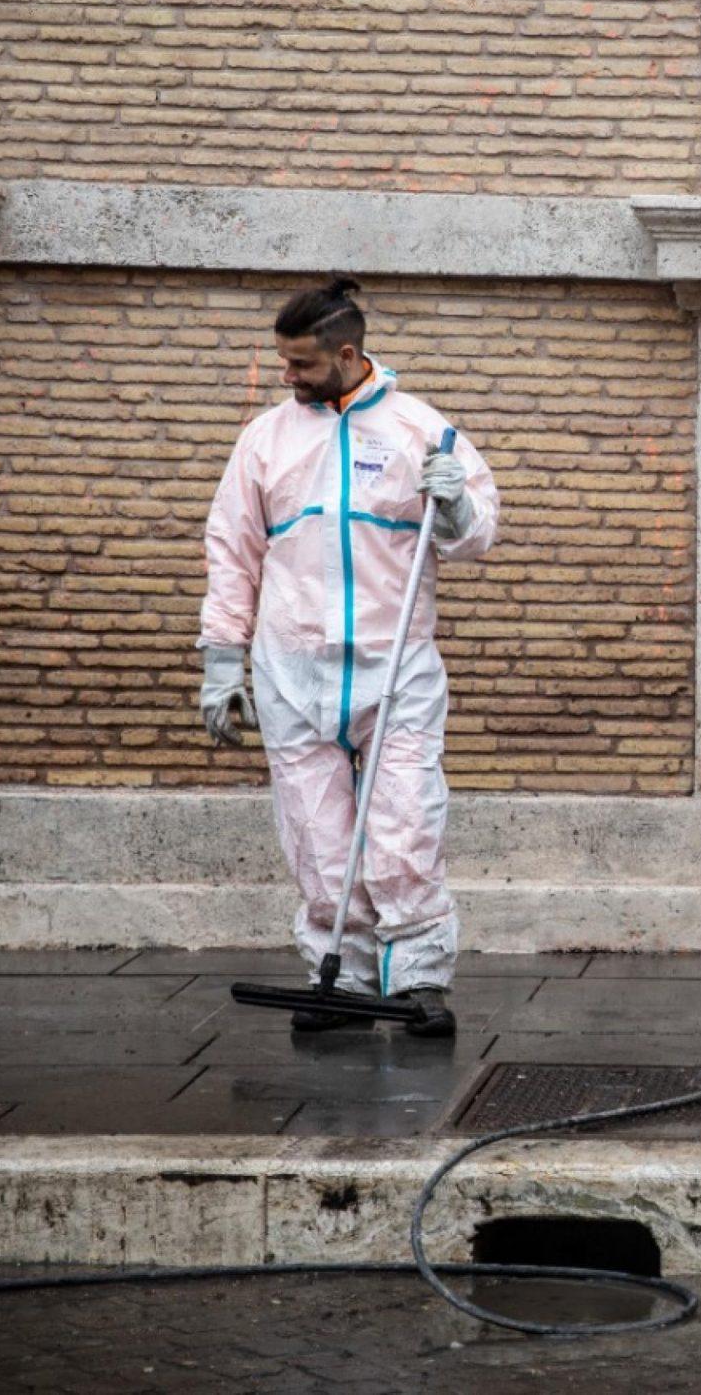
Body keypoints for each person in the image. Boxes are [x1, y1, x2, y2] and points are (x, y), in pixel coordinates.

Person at [198, 277, 499, 1038]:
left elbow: (476, 538)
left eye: (300, 365)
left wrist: (457, 500)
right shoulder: (265, 439)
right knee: (316, 834)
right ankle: (341, 981)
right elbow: (231, 549)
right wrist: (222, 663)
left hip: (393, 668)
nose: (287, 378)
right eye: (283, 364)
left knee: (405, 826)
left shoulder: (422, 432)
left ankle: (417, 983)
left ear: (347, 353)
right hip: (291, 670)